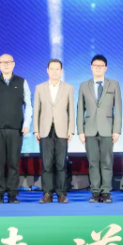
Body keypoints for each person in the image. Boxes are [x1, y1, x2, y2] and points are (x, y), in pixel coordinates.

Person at [0, 54, 32, 204]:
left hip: (16, 129)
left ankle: (12, 194)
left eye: (9, 62)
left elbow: (28, 104)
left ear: (14, 64)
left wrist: (27, 123)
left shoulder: (22, 82)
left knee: (13, 163)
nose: (6, 64)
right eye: (3, 62)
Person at [77, 55, 122, 203]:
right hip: (89, 130)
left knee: (107, 162)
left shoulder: (114, 84)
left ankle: (106, 192)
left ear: (105, 68)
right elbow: (80, 109)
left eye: (101, 66)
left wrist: (117, 130)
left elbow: (118, 109)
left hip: (108, 129)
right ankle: (95, 192)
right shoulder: (84, 86)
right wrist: (80, 131)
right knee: (93, 162)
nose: (98, 68)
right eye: (95, 66)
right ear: (91, 67)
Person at [33, 59, 74, 204]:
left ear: (61, 71)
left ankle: (61, 194)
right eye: (52, 69)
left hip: (62, 130)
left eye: (57, 69)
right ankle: (47, 194)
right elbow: (36, 110)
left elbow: (71, 110)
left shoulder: (68, 88)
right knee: (47, 165)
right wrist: (35, 129)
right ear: (47, 70)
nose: (55, 71)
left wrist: (71, 130)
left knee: (61, 165)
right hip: (45, 130)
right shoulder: (39, 88)